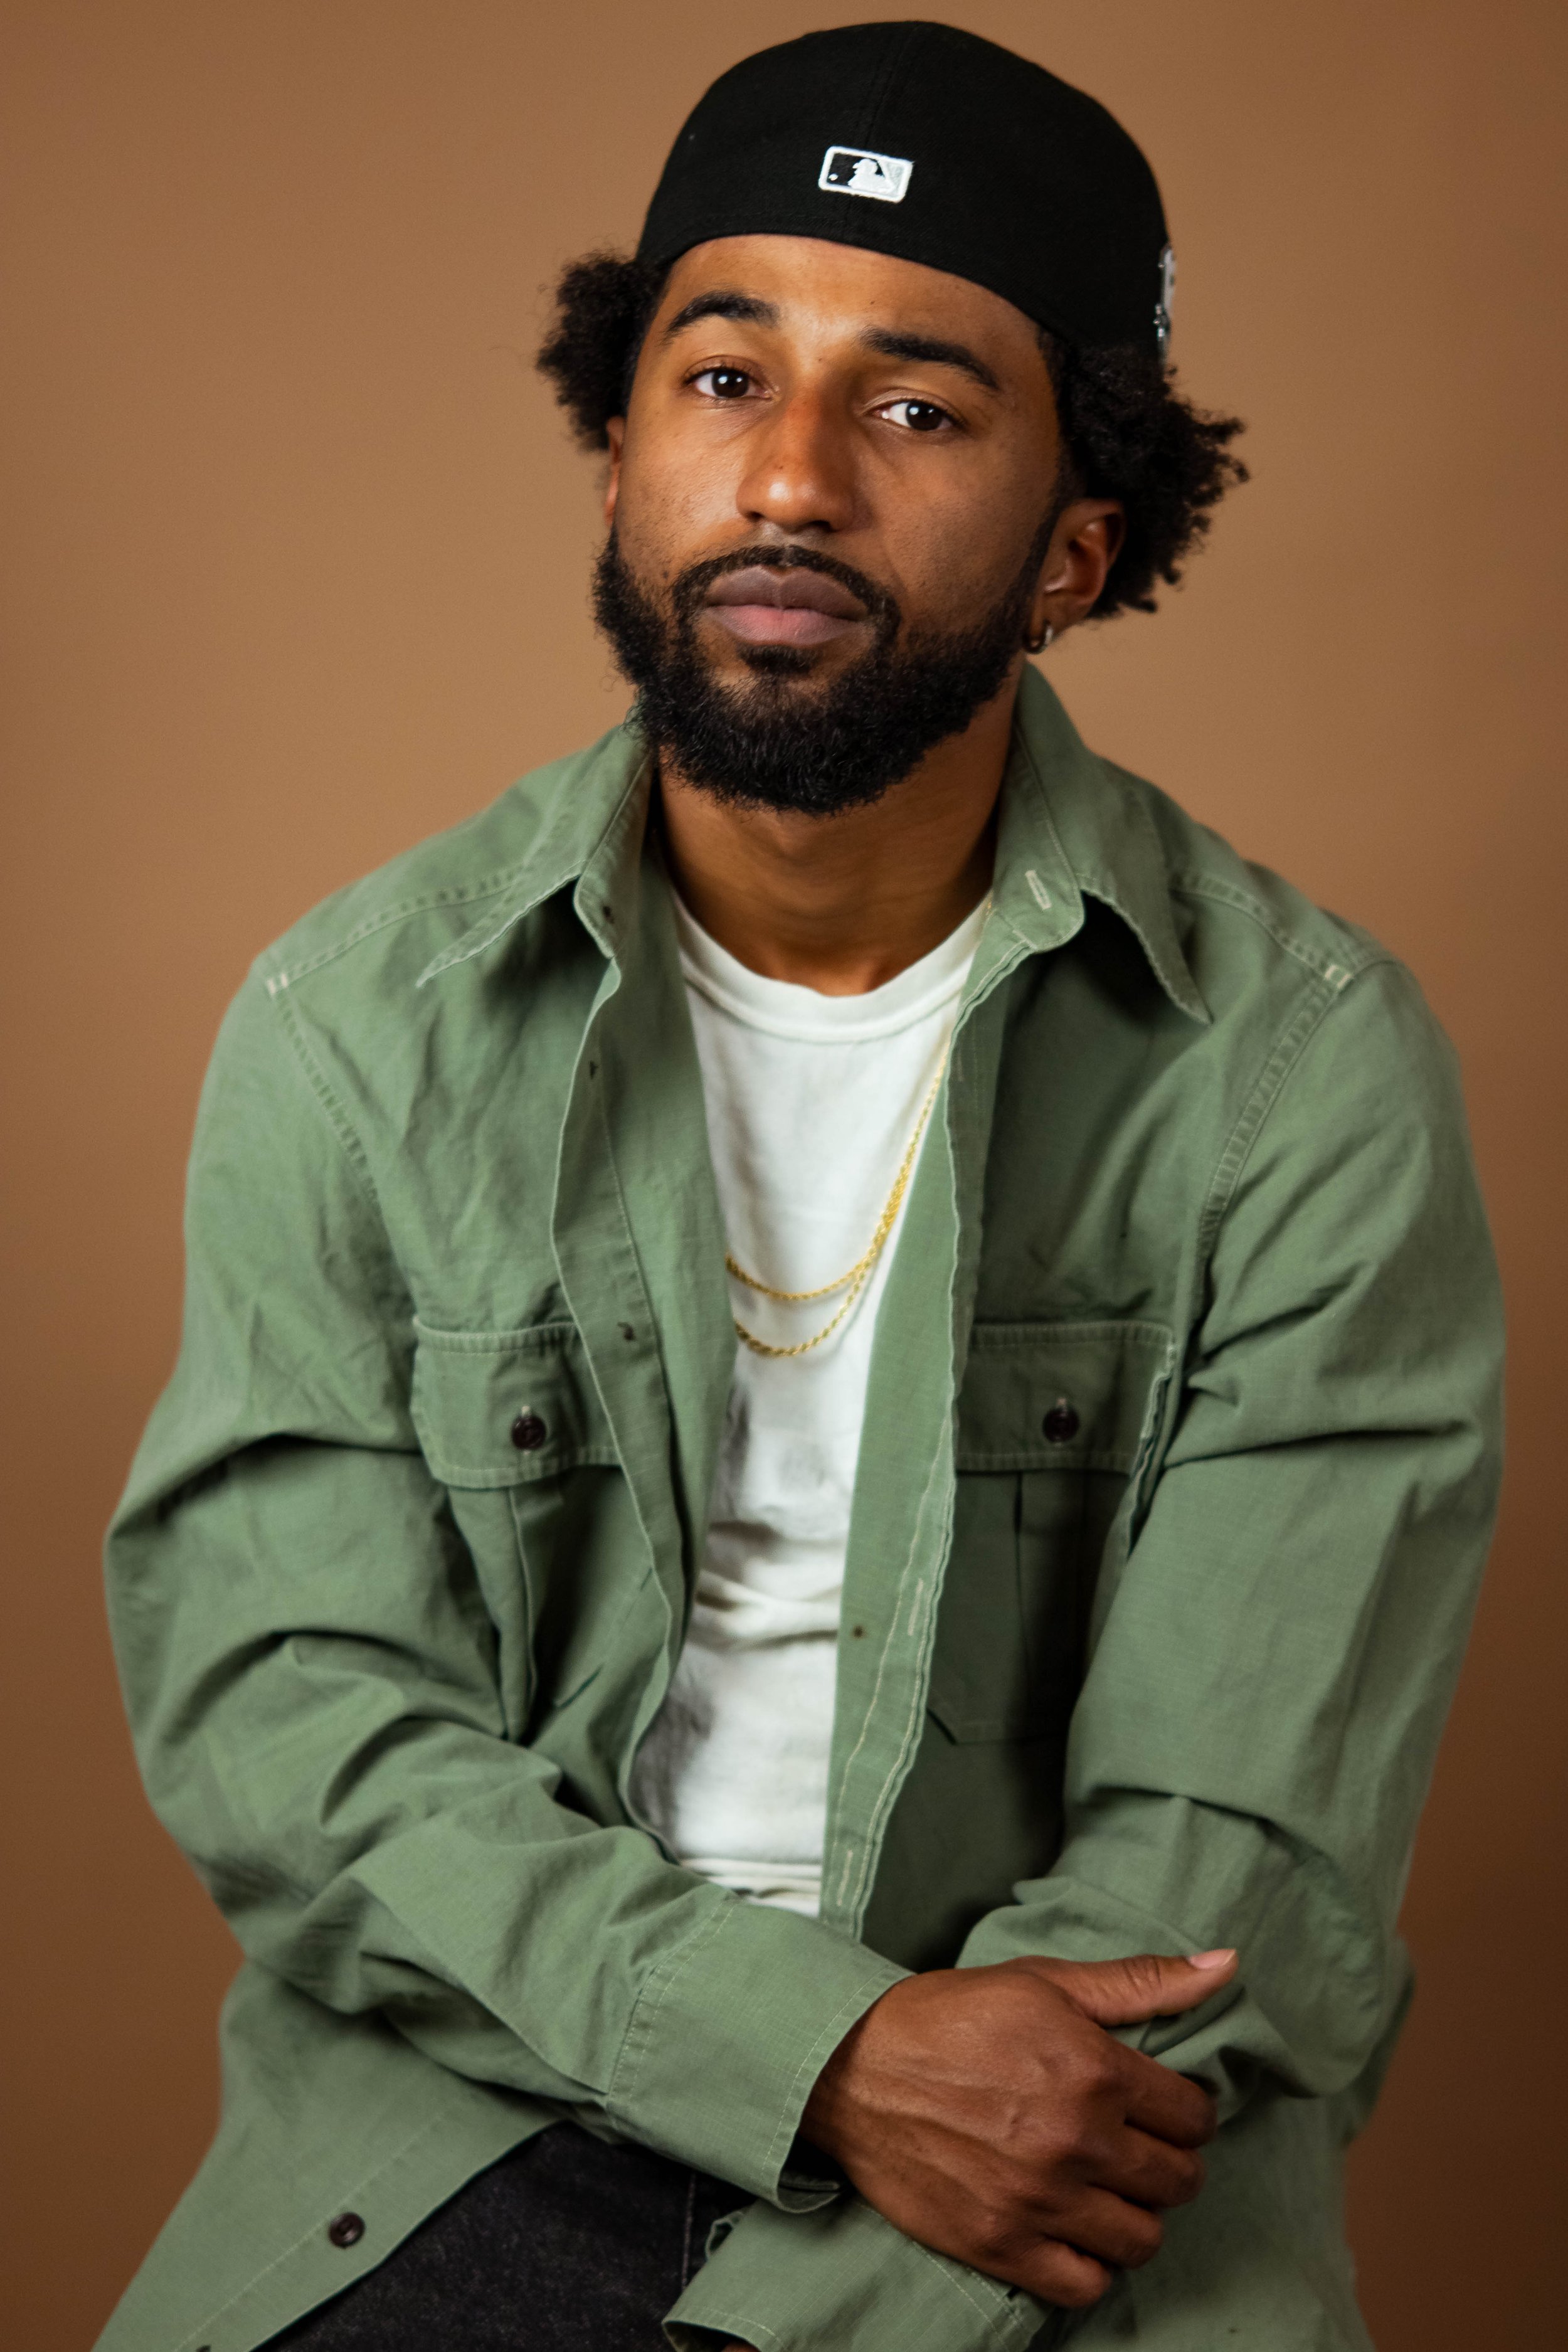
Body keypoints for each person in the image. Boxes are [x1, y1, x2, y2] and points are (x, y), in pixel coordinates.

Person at [98, 22, 1502, 2352]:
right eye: (719, 373)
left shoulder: (1294, 1073)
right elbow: (288, 1707)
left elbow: (1241, 1851)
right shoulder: (356, 1026)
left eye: (919, 406)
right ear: (618, 449)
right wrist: (813, 2058)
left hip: (1065, 2159)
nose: (790, 479)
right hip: (481, 2102)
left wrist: (886, 2174)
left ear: (1078, 548)